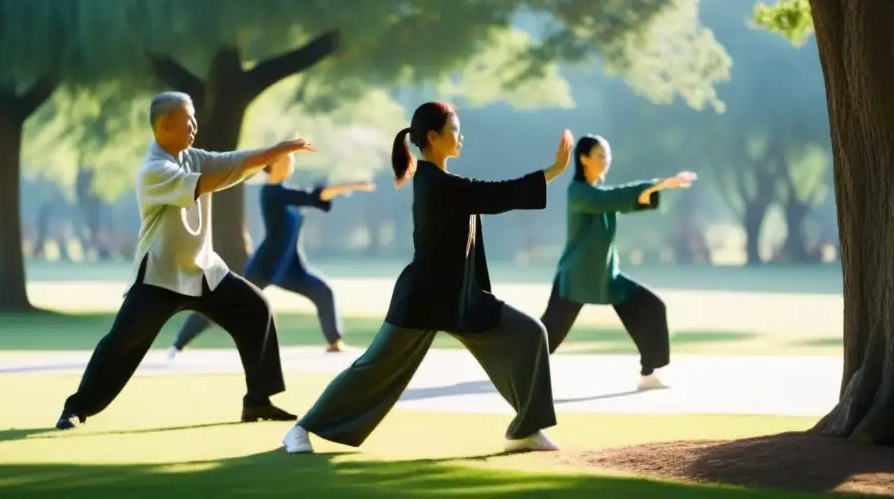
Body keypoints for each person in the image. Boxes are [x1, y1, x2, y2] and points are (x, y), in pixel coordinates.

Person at [282, 101, 574, 455]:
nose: (460, 136)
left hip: (462, 298)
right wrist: (555, 170)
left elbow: (489, 195)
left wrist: (552, 171)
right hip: (423, 297)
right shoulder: (435, 182)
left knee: (530, 333)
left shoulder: (444, 182)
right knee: (374, 368)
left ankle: (527, 430)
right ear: (433, 137)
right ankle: (302, 428)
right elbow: (497, 194)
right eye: (454, 130)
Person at [54, 91, 315, 431]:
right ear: (165, 126)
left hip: (204, 269)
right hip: (160, 276)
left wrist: (272, 153)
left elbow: (231, 162)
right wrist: (265, 158)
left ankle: (258, 401)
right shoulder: (154, 170)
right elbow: (210, 181)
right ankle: (75, 409)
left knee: (256, 308)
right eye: (188, 119)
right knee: (122, 344)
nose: (194, 126)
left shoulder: (192, 157)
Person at [168, 152, 375, 356]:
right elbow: (315, 195)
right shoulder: (271, 192)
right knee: (225, 302)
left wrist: (349, 187)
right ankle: (178, 344)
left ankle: (334, 342)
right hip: (266, 265)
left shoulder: (286, 192)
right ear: (272, 165)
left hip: (290, 267)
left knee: (323, 292)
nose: (290, 163)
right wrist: (354, 185)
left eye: (291, 161)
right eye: (286, 159)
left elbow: (315, 196)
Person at [539, 134, 697, 391]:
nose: (606, 160)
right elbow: (614, 198)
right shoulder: (578, 193)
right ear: (583, 159)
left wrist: (660, 188)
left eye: (608, 156)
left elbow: (629, 200)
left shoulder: (599, 194)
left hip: (606, 276)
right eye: (600, 155)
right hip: (576, 276)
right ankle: (515, 366)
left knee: (652, 307)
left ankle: (649, 373)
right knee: (549, 335)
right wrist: (661, 183)